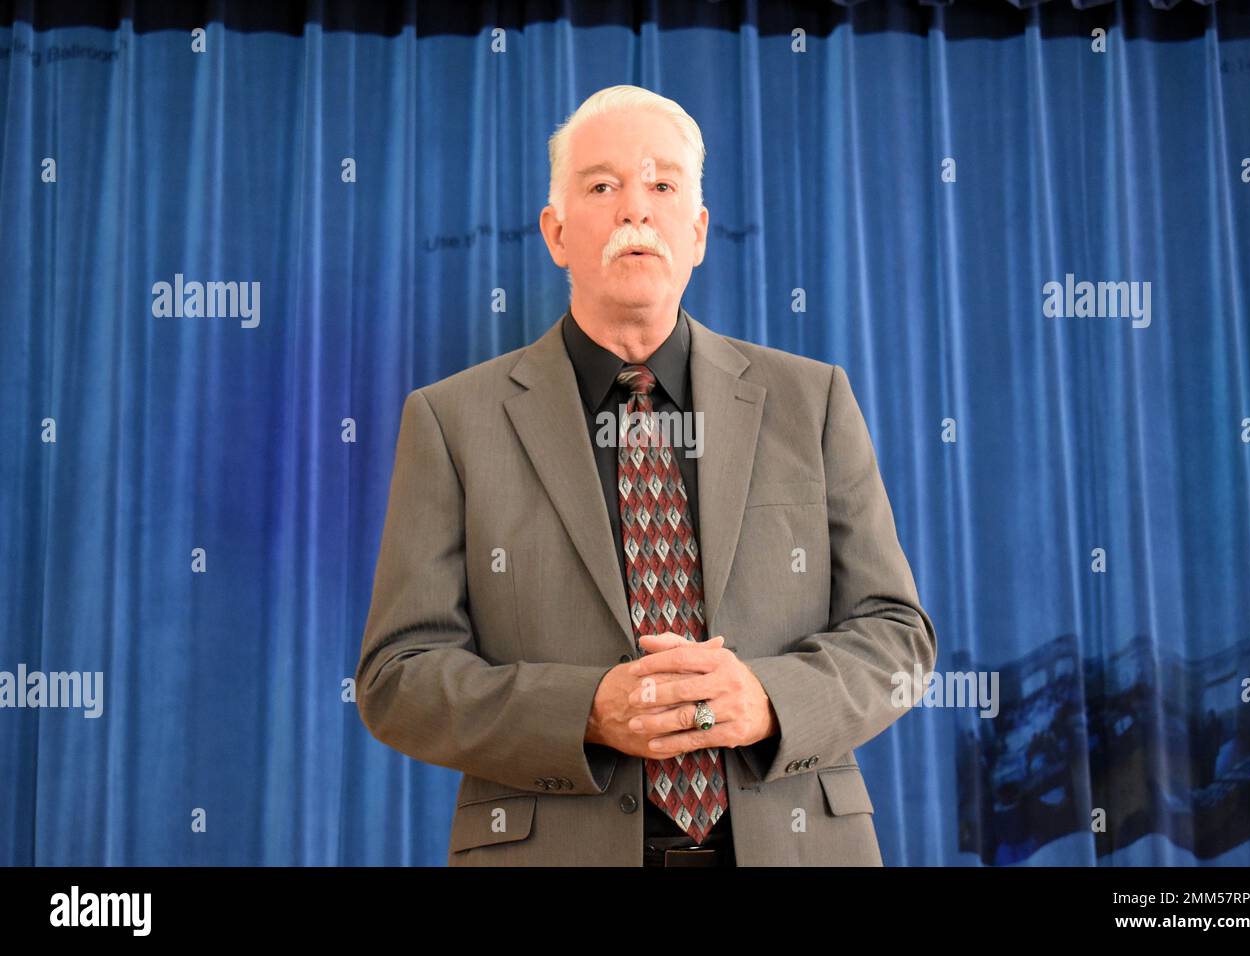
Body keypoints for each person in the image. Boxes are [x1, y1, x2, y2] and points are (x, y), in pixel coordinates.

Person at [355, 84, 938, 866]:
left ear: (697, 231)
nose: (636, 209)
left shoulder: (812, 400)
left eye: (663, 186)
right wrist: (584, 713)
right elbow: (398, 679)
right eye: (603, 186)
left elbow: (897, 639)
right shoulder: (451, 420)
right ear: (556, 233)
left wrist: (767, 699)